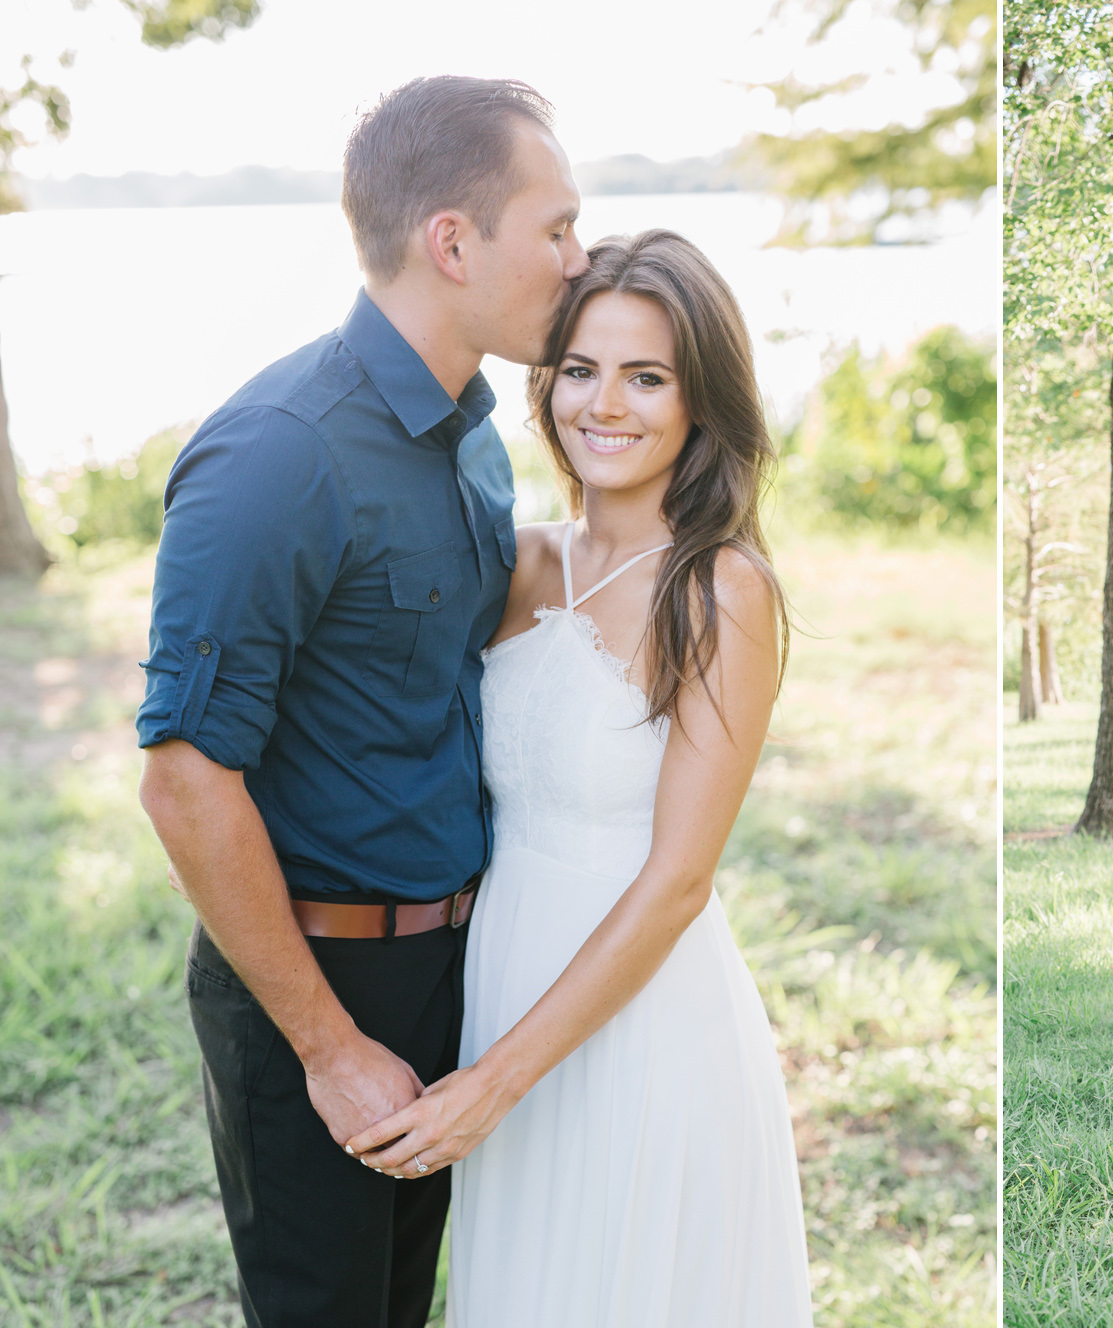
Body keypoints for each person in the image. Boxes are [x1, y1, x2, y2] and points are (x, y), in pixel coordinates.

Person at [136, 76, 585, 1325]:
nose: (576, 256)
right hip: (313, 980)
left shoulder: (475, 436)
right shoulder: (278, 452)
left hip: (456, 965)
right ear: (454, 241)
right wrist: (331, 1049)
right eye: (553, 228)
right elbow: (183, 778)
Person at [343, 230, 814, 1326]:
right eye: (581, 369)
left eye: (646, 375)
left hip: (643, 1021)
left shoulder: (720, 588)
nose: (605, 403)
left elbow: (679, 878)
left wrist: (492, 1082)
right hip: (503, 975)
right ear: (543, 380)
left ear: (702, 398)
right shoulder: (515, 560)